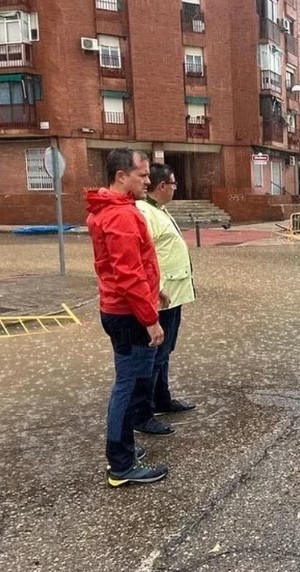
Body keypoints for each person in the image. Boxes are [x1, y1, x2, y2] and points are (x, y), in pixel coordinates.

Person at [86, 148, 168, 487]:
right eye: (142, 175)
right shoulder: (119, 216)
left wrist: (155, 290)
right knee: (129, 385)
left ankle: (125, 451)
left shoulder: (114, 209)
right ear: (122, 176)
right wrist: (150, 317)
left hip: (122, 308)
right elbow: (128, 273)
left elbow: (137, 266)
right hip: (128, 313)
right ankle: (120, 463)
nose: (148, 181)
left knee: (128, 382)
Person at [133, 163, 197, 436]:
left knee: (165, 352)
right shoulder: (145, 212)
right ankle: (143, 414)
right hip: (160, 296)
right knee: (154, 356)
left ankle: (162, 399)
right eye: (173, 184)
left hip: (173, 294)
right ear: (163, 186)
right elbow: (140, 257)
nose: (175, 189)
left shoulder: (158, 210)